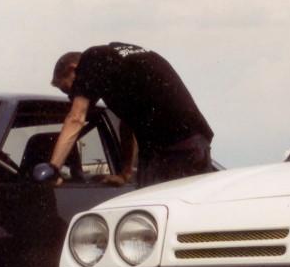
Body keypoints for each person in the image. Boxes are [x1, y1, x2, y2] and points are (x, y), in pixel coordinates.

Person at [49, 42, 214, 187]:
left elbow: (76, 118)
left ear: (73, 69)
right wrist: (126, 173)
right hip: (195, 143)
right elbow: (127, 123)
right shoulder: (117, 61)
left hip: (173, 150)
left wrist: (53, 170)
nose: (72, 96)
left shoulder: (91, 59)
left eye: (67, 89)